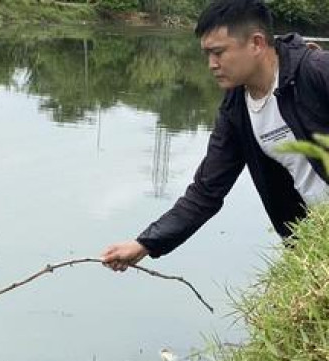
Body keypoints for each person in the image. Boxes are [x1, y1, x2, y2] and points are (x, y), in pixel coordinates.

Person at [101, 0, 329, 272]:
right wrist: (145, 244)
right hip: (317, 241)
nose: (211, 64)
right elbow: (206, 192)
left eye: (218, 52)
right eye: (207, 54)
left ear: (256, 43)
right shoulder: (236, 109)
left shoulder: (316, 71)